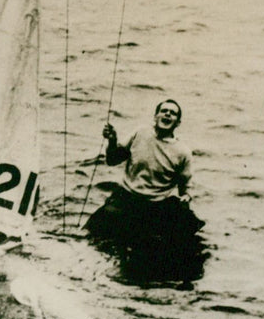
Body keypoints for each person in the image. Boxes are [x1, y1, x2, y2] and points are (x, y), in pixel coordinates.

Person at [85, 100, 205, 283]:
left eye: (172, 113)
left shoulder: (183, 152)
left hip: (156, 205)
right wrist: (112, 140)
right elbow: (112, 160)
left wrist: (186, 197)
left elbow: (185, 188)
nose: (167, 115)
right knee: (92, 234)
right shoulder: (140, 133)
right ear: (155, 117)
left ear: (178, 123)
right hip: (126, 197)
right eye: (163, 111)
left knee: (183, 251)